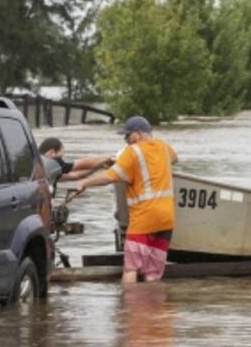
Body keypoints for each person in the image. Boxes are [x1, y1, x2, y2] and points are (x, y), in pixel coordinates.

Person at [73, 116, 178, 283]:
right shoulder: (164, 147)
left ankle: (129, 308)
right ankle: (154, 307)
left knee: (131, 269)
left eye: (127, 136)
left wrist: (85, 182)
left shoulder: (132, 152)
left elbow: (110, 177)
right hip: (166, 220)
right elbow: (173, 159)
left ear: (137, 134)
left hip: (144, 219)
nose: (126, 140)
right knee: (153, 273)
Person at [38, 137, 112, 184]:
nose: (61, 160)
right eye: (61, 157)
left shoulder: (43, 168)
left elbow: (75, 176)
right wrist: (108, 158)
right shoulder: (51, 163)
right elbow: (82, 164)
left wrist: (99, 166)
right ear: (52, 152)